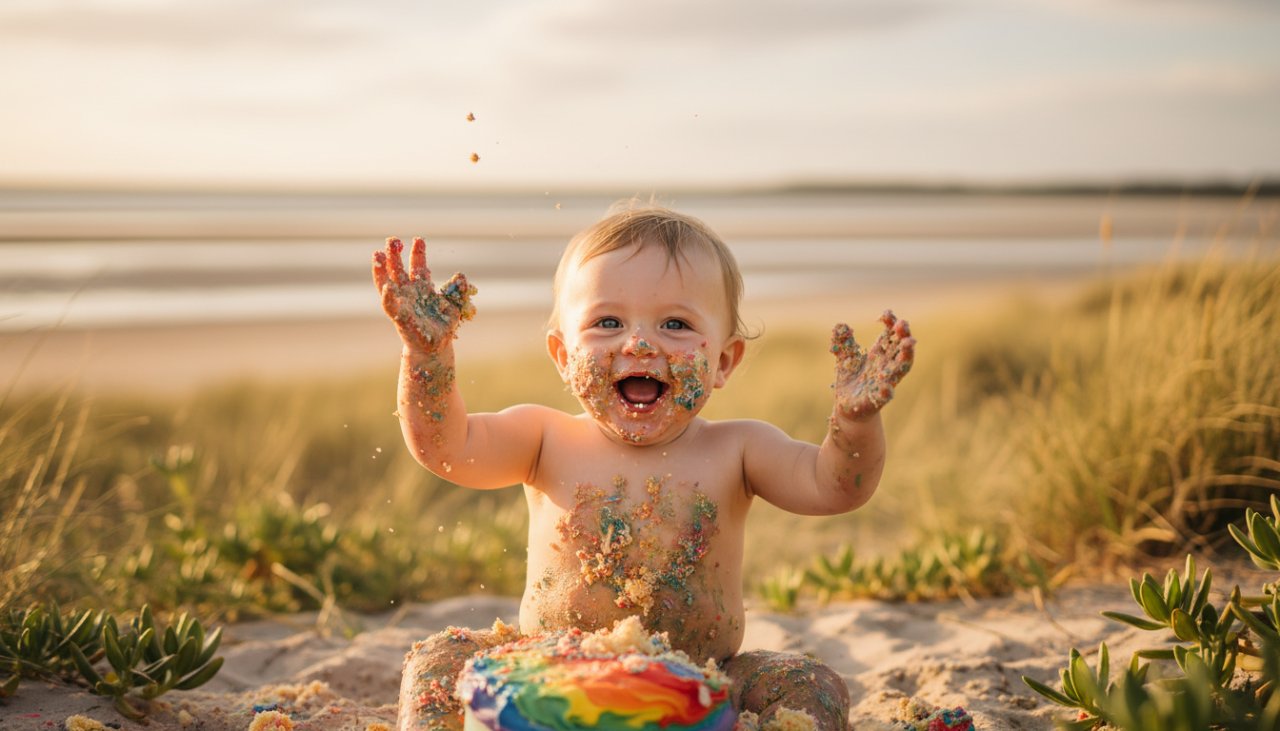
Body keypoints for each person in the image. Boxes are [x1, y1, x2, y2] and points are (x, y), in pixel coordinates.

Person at [371, 204, 915, 731]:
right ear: (562, 356)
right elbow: (446, 447)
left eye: (675, 324)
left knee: (812, 684)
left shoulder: (741, 448)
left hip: (702, 681)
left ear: (723, 361)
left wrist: (854, 424)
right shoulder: (542, 437)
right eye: (607, 322)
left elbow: (836, 487)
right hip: (547, 670)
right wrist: (428, 357)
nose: (639, 342)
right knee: (438, 659)